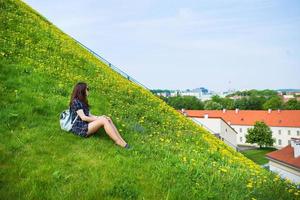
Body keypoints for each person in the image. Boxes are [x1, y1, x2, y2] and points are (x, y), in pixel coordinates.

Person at [69, 82, 129, 148]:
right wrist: (99, 119)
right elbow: (84, 118)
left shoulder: (83, 101)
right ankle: (118, 142)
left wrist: (100, 117)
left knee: (107, 119)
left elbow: (89, 115)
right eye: (87, 89)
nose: (88, 91)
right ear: (82, 90)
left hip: (85, 125)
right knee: (103, 120)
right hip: (79, 128)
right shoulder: (76, 102)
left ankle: (122, 141)